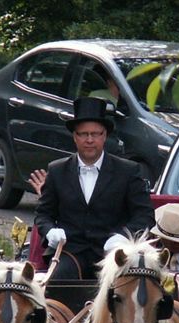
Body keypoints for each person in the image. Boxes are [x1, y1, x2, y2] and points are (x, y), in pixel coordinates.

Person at [34, 96, 155, 281]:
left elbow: (145, 216)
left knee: (124, 291)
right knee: (57, 284)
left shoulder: (128, 171)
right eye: (83, 134)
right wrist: (50, 231)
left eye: (95, 134)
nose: (89, 140)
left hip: (114, 252)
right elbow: (43, 215)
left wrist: (122, 238)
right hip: (70, 252)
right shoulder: (57, 170)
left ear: (104, 136)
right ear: (75, 137)